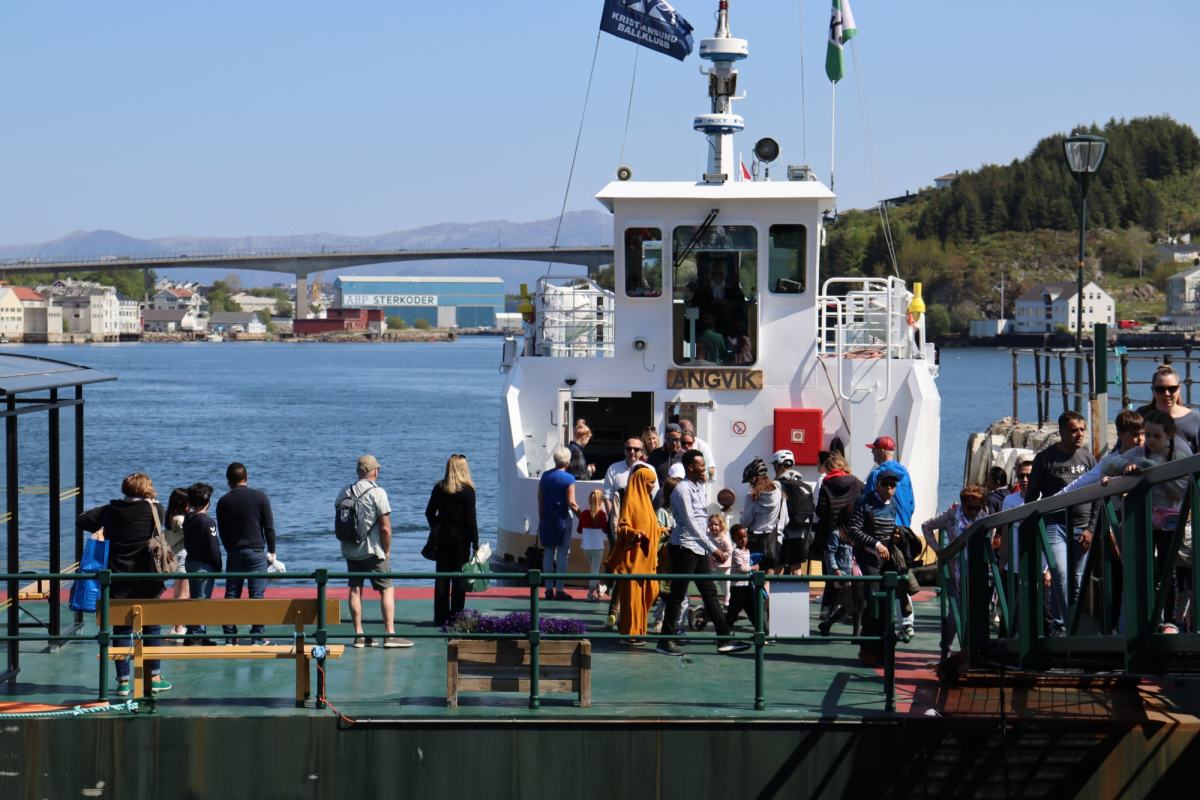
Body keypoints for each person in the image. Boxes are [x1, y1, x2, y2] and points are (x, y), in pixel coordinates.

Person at [77, 472, 172, 696]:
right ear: (146, 490)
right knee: (152, 628)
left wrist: (106, 523)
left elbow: (82, 519)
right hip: (148, 581)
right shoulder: (155, 509)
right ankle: (154, 676)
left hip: (118, 580)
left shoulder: (110, 511)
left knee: (121, 628)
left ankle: (123, 682)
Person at [657, 449, 750, 656]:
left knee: (710, 594)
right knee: (677, 595)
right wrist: (713, 548)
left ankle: (724, 639)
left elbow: (700, 522)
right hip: (684, 548)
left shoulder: (699, 487)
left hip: (698, 549)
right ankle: (664, 641)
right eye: (701, 465)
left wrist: (707, 547)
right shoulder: (682, 490)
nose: (705, 468)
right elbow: (690, 524)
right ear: (691, 467)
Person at [1023, 411, 1097, 635]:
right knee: (1060, 574)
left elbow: (1097, 497)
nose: (1079, 434)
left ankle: (1069, 621)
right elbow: (1032, 495)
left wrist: (1091, 529)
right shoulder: (1045, 458)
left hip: (1082, 526)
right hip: (1055, 525)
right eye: (1074, 430)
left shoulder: (1088, 458)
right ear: (1062, 431)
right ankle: (1060, 624)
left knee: (1077, 580)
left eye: (1082, 430)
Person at [338, 455, 408, 648]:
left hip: (350, 550)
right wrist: (387, 550)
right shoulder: (378, 493)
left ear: (358, 471)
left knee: (355, 589)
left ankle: (359, 635)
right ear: (375, 471)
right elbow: (385, 528)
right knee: (387, 588)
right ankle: (390, 634)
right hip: (373, 550)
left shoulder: (345, 491)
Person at [921, 485, 988, 662]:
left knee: (976, 612)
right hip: (954, 571)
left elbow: (991, 532)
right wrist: (938, 550)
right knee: (954, 614)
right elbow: (927, 526)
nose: (974, 511)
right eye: (970, 507)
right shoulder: (952, 515)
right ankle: (947, 650)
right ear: (963, 504)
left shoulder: (984, 515)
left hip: (976, 569)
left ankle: (970, 650)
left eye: (977, 507)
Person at [846, 467, 902, 665]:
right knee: (873, 602)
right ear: (877, 485)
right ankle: (868, 649)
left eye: (892, 485)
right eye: (885, 484)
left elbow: (888, 528)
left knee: (886, 604)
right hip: (868, 557)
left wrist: (894, 536)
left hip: (885, 560)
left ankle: (884, 648)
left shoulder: (892, 504)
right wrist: (876, 544)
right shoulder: (865, 502)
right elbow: (853, 530)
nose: (889, 488)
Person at [217, 462, 277, 645]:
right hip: (257, 552)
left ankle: (229, 636)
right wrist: (272, 551)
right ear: (246, 478)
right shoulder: (260, 497)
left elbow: (223, 531)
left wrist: (230, 550)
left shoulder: (223, 501)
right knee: (256, 595)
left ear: (228, 481)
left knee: (232, 595)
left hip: (234, 552)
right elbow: (269, 528)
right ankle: (257, 636)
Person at [605, 466, 665, 645]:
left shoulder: (647, 502)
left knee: (652, 592)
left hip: (648, 562)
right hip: (634, 561)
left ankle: (638, 630)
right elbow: (623, 527)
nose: (653, 486)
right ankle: (630, 634)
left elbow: (651, 527)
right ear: (641, 482)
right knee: (632, 600)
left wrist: (662, 530)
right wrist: (634, 534)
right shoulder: (630, 502)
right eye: (651, 482)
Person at [424, 454, 480, 627]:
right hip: (460, 540)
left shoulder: (439, 488)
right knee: (458, 579)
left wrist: (437, 526)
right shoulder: (468, 491)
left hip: (442, 538)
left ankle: (440, 617)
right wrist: (475, 543)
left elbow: (429, 512)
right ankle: (456, 617)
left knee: (441, 578)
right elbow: (471, 521)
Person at [182, 482, 220, 646]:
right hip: (203, 565)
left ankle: (197, 632)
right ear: (207, 502)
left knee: (195, 598)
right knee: (202, 599)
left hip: (191, 561)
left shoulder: (188, 519)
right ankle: (196, 635)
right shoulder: (208, 521)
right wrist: (218, 565)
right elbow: (213, 547)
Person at [538, 446, 578, 599]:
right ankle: (560, 589)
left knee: (548, 552)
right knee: (562, 554)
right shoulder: (569, 479)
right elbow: (572, 503)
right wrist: (584, 516)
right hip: (562, 519)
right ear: (567, 462)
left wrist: (541, 517)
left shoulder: (545, 476)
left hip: (547, 518)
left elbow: (540, 498)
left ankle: (548, 589)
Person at [739, 457, 789, 575]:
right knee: (769, 576)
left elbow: (745, 522)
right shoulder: (779, 493)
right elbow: (785, 519)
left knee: (755, 578)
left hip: (756, 541)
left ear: (753, 478)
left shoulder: (752, 496)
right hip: (774, 540)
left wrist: (743, 515)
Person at [1136, 365, 1200, 453]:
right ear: (1152, 389)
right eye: (1160, 389)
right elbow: (1120, 451)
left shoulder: (1195, 419)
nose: (1166, 393)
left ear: (1179, 388)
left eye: (1172, 389)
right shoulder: (1140, 416)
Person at [773, 449, 817, 575]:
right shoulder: (802, 483)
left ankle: (777, 595)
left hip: (784, 532)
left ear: (778, 465)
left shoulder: (777, 484)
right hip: (802, 532)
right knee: (796, 568)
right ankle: (797, 594)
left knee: (778, 567)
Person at [863, 436, 914, 528]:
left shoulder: (876, 475)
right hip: (904, 530)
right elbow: (911, 504)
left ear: (881, 451)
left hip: (884, 532)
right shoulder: (905, 474)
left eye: (874, 449)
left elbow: (866, 505)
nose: (872, 452)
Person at [724, 525, 762, 630]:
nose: (743, 540)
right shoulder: (736, 551)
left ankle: (762, 632)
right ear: (734, 539)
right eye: (739, 538)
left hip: (746, 585)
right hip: (737, 587)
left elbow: (746, 568)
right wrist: (754, 567)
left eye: (745, 536)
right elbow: (742, 568)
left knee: (753, 611)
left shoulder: (747, 551)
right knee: (732, 612)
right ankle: (724, 634)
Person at [164, 487, 191, 635]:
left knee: (177, 593)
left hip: (174, 556)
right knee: (184, 594)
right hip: (184, 557)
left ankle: (175, 627)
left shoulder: (170, 517)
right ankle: (179, 628)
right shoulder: (181, 520)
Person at [577, 489, 609, 601]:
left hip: (586, 546)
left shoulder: (584, 514)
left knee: (593, 569)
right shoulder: (602, 515)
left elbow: (579, 530)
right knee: (594, 570)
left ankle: (600, 588)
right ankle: (590, 594)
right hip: (598, 547)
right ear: (601, 501)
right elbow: (606, 530)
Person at [708, 514, 733, 605]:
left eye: (716, 525)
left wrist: (722, 556)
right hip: (714, 564)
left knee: (726, 581)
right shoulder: (708, 535)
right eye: (711, 524)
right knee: (718, 581)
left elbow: (730, 550)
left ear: (721, 526)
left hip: (724, 564)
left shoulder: (724, 538)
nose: (713, 527)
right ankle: (723, 595)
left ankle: (727, 597)